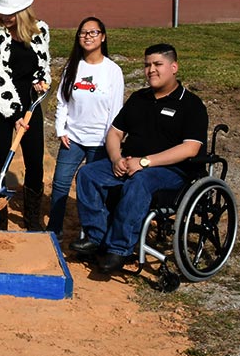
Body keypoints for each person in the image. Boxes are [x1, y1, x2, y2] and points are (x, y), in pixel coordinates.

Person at [71, 44, 208, 274]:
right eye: (147, 65)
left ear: (174, 67)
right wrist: (116, 158)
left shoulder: (191, 105)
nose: (151, 70)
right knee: (88, 173)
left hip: (172, 172)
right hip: (129, 162)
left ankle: (119, 249)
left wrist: (144, 162)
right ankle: (96, 237)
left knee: (140, 181)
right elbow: (114, 132)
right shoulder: (139, 98)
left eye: (157, 64)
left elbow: (191, 148)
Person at [0, 0, 50, 230]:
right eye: (2, 12)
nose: (5, 16)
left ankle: (32, 219)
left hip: (31, 106)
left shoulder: (40, 31)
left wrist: (42, 82)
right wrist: (15, 113)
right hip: (2, 105)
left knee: (34, 161)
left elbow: (44, 67)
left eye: (11, 13)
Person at [47, 16, 124, 237]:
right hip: (73, 139)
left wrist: (112, 141)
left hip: (100, 142)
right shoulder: (73, 66)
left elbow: (116, 110)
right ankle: (54, 229)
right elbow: (63, 100)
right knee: (60, 184)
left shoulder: (112, 71)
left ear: (103, 37)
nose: (87, 37)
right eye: (83, 33)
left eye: (93, 33)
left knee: (94, 190)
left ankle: (93, 234)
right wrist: (61, 129)